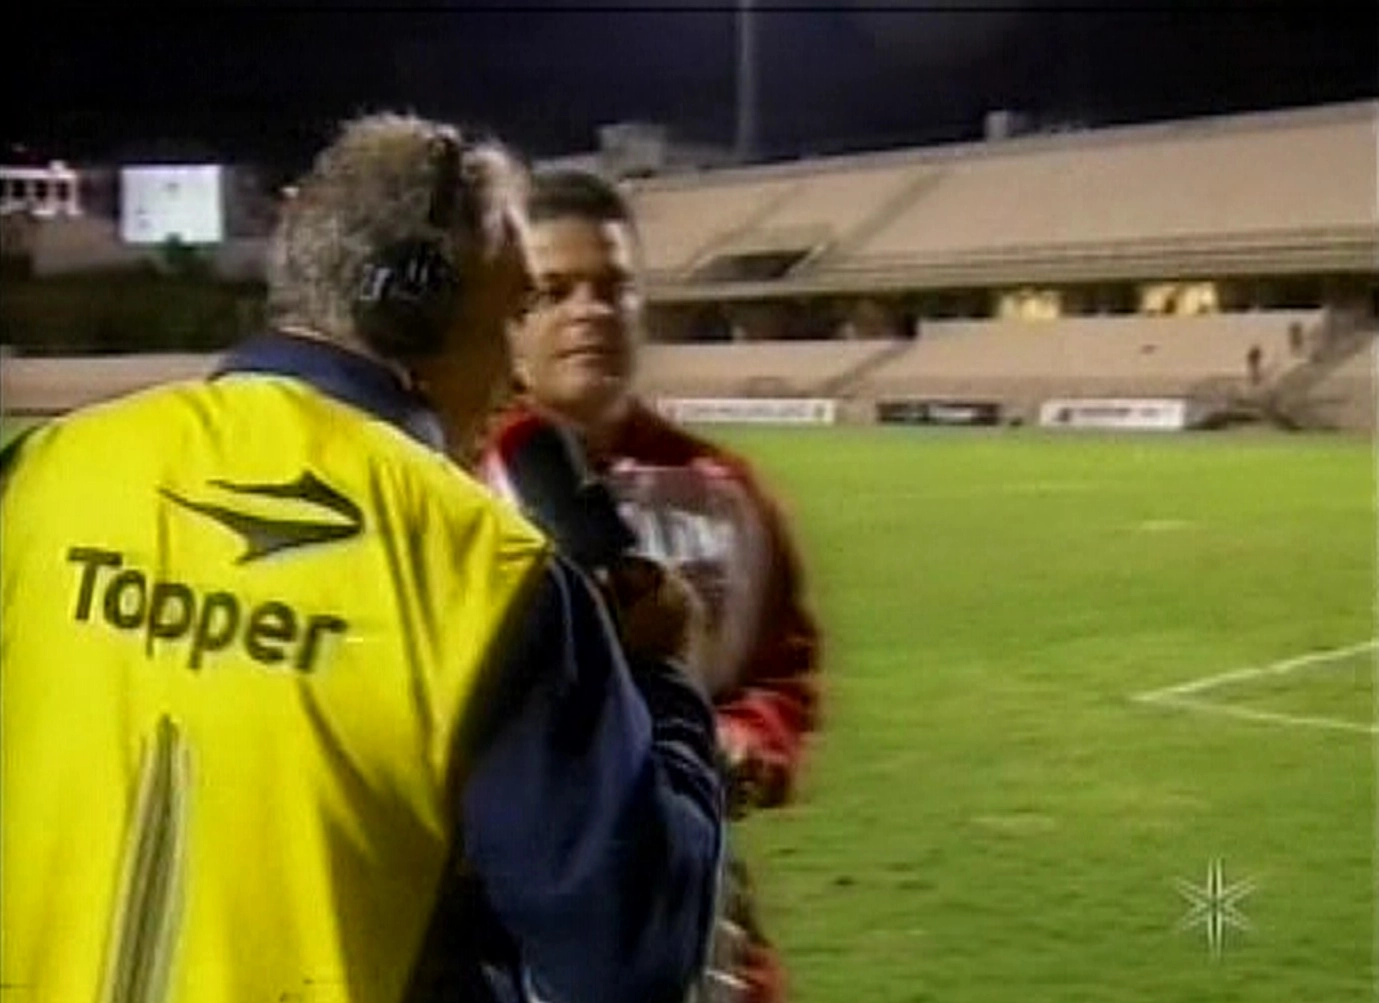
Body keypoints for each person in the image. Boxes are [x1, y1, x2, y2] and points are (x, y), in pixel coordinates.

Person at [0, 114, 724, 1003]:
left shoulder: (43, 474)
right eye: (514, 312)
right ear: (414, 302)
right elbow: (632, 956)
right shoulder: (487, 574)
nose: (515, 370)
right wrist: (664, 682)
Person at [474, 169, 823, 1003]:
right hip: (500, 935)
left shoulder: (726, 491)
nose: (589, 310)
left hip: (692, 926)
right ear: (508, 319)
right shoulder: (445, 484)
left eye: (614, 287)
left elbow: (783, 673)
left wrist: (748, 740)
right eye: (554, 291)